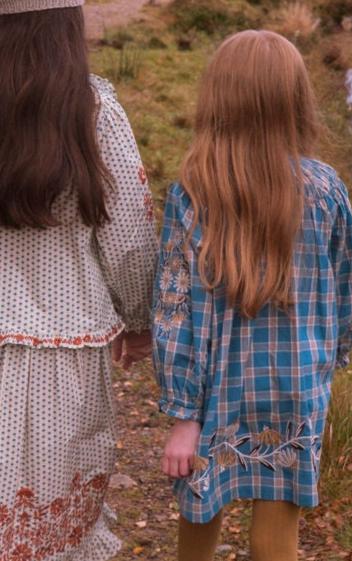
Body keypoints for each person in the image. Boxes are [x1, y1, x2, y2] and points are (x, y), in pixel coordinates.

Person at [153, 30, 352, 561]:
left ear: (218, 99)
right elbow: (350, 292)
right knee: (279, 521)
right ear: (294, 100)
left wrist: (184, 414)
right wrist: (329, 360)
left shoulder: (193, 194)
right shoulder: (326, 190)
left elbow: (174, 313)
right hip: (297, 386)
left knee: (200, 509)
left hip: (214, 394)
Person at [0, 2, 158, 559]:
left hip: (52, 348)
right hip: (60, 357)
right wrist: (139, 321)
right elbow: (131, 235)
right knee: (51, 525)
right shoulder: (93, 110)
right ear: (68, 26)